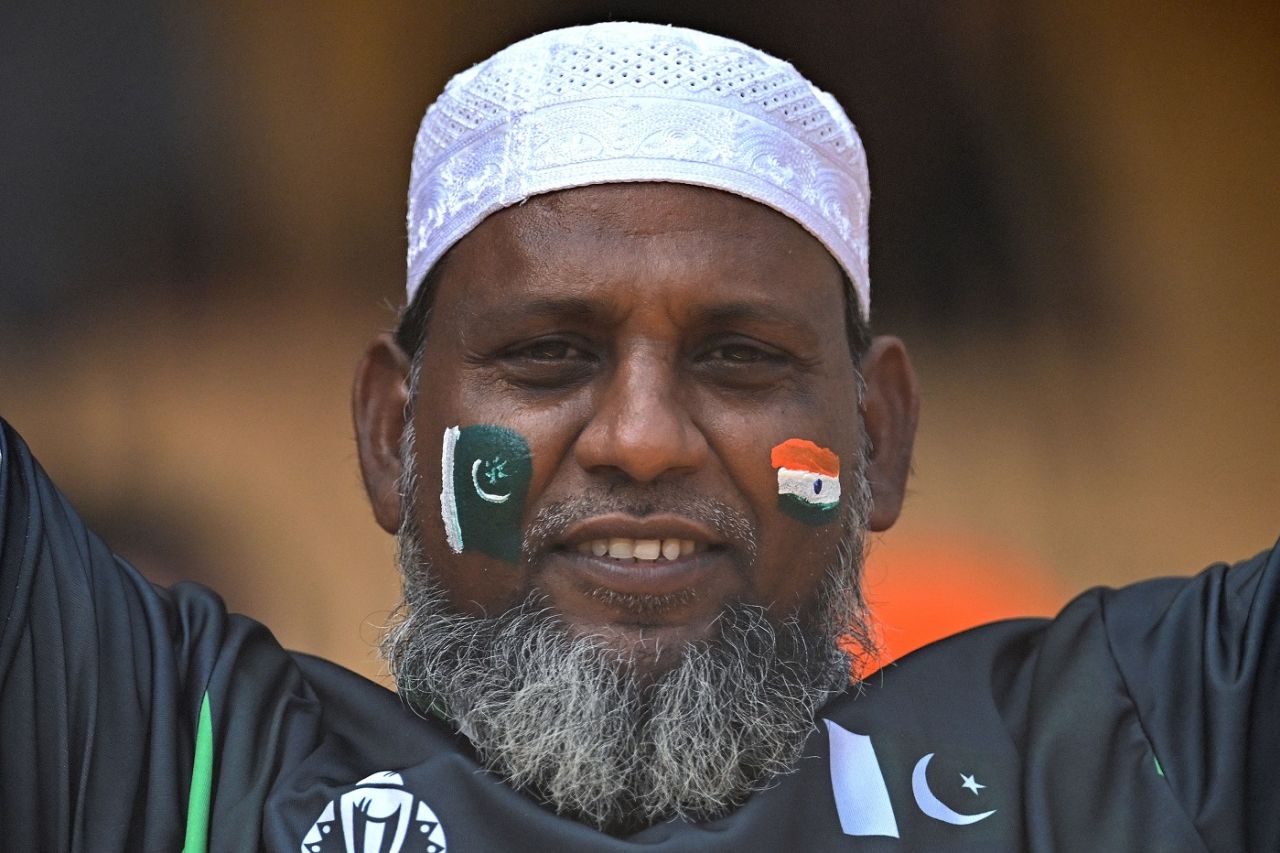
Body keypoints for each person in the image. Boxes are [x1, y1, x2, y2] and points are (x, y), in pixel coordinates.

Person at [0, 22, 1274, 853]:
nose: (644, 438)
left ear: (877, 437)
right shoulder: (182, 769)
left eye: (740, 357)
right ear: (393, 434)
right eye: (547, 354)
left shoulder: (1104, 762)